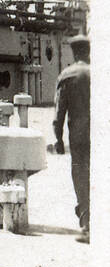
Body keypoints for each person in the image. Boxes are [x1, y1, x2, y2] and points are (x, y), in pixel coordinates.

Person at [54, 34, 90, 240]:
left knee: (81, 176)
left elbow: (60, 112)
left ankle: (87, 223)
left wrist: (58, 138)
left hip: (78, 137)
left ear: (74, 52)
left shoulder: (67, 75)